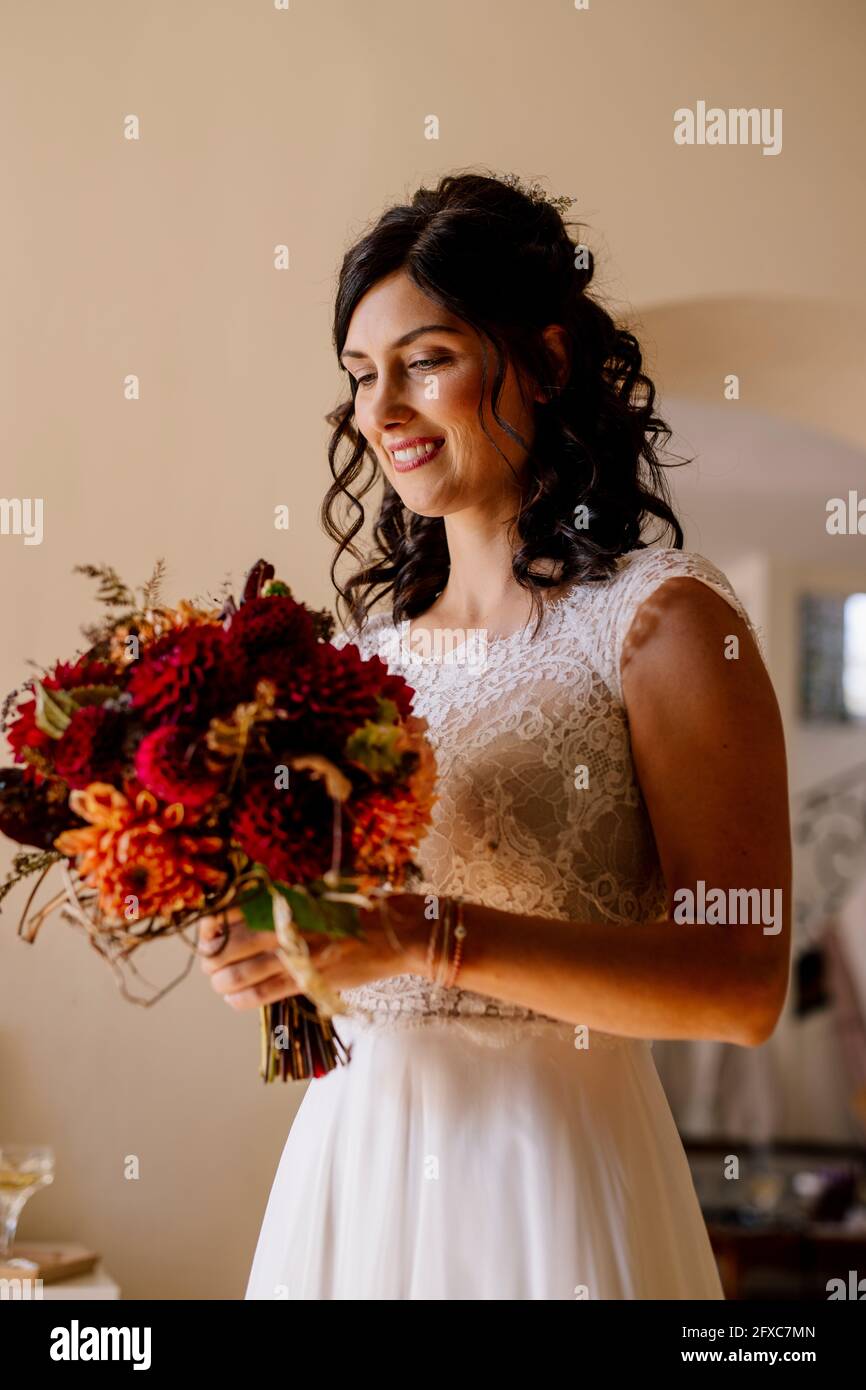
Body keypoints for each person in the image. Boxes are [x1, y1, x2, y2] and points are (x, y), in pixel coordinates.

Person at [198, 170, 792, 1299]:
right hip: (352, 1166)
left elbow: (742, 982)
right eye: (362, 378)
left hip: (549, 1180)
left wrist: (430, 938)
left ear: (549, 360)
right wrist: (277, 955)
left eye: (425, 361)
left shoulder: (660, 621)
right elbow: (342, 946)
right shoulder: (353, 667)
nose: (380, 412)